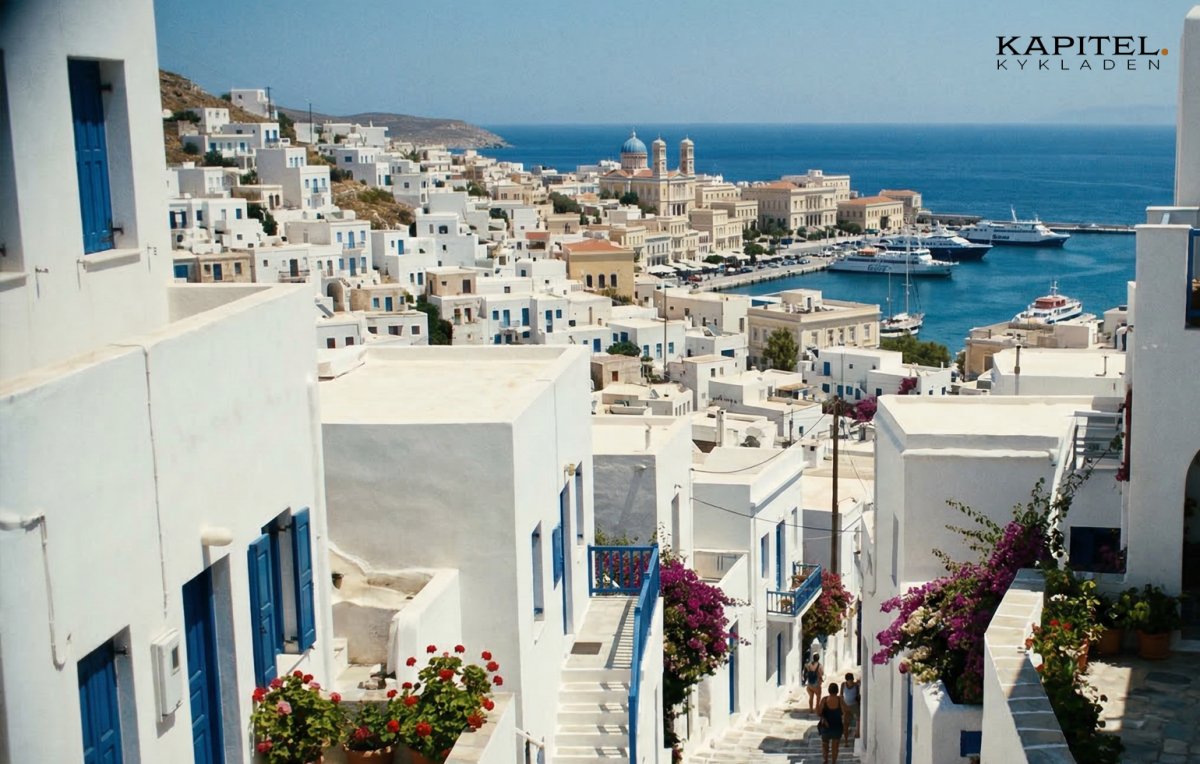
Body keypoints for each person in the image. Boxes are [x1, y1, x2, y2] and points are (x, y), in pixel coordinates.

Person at [818, 682, 850, 764]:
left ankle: (825, 760)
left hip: (826, 727)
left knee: (825, 744)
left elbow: (818, 712)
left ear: (829, 690)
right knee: (835, 746)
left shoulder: (824, 700)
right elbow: (846, 710)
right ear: (837, 690)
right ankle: (833, 762)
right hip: (837, 726)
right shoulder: (840, 700)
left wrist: (823, 717)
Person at [840, 672, 860, 745]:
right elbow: (841, 695)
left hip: (854, 705)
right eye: (849, 680)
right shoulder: (843, 685)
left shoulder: (856, 685)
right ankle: (846, 741)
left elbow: (858, 695)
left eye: (851, 680)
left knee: (858, 718)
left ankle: (857, 732)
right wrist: (842, 706)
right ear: (846, 680)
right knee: (845, 723)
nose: (850, 682)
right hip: (846, 706)